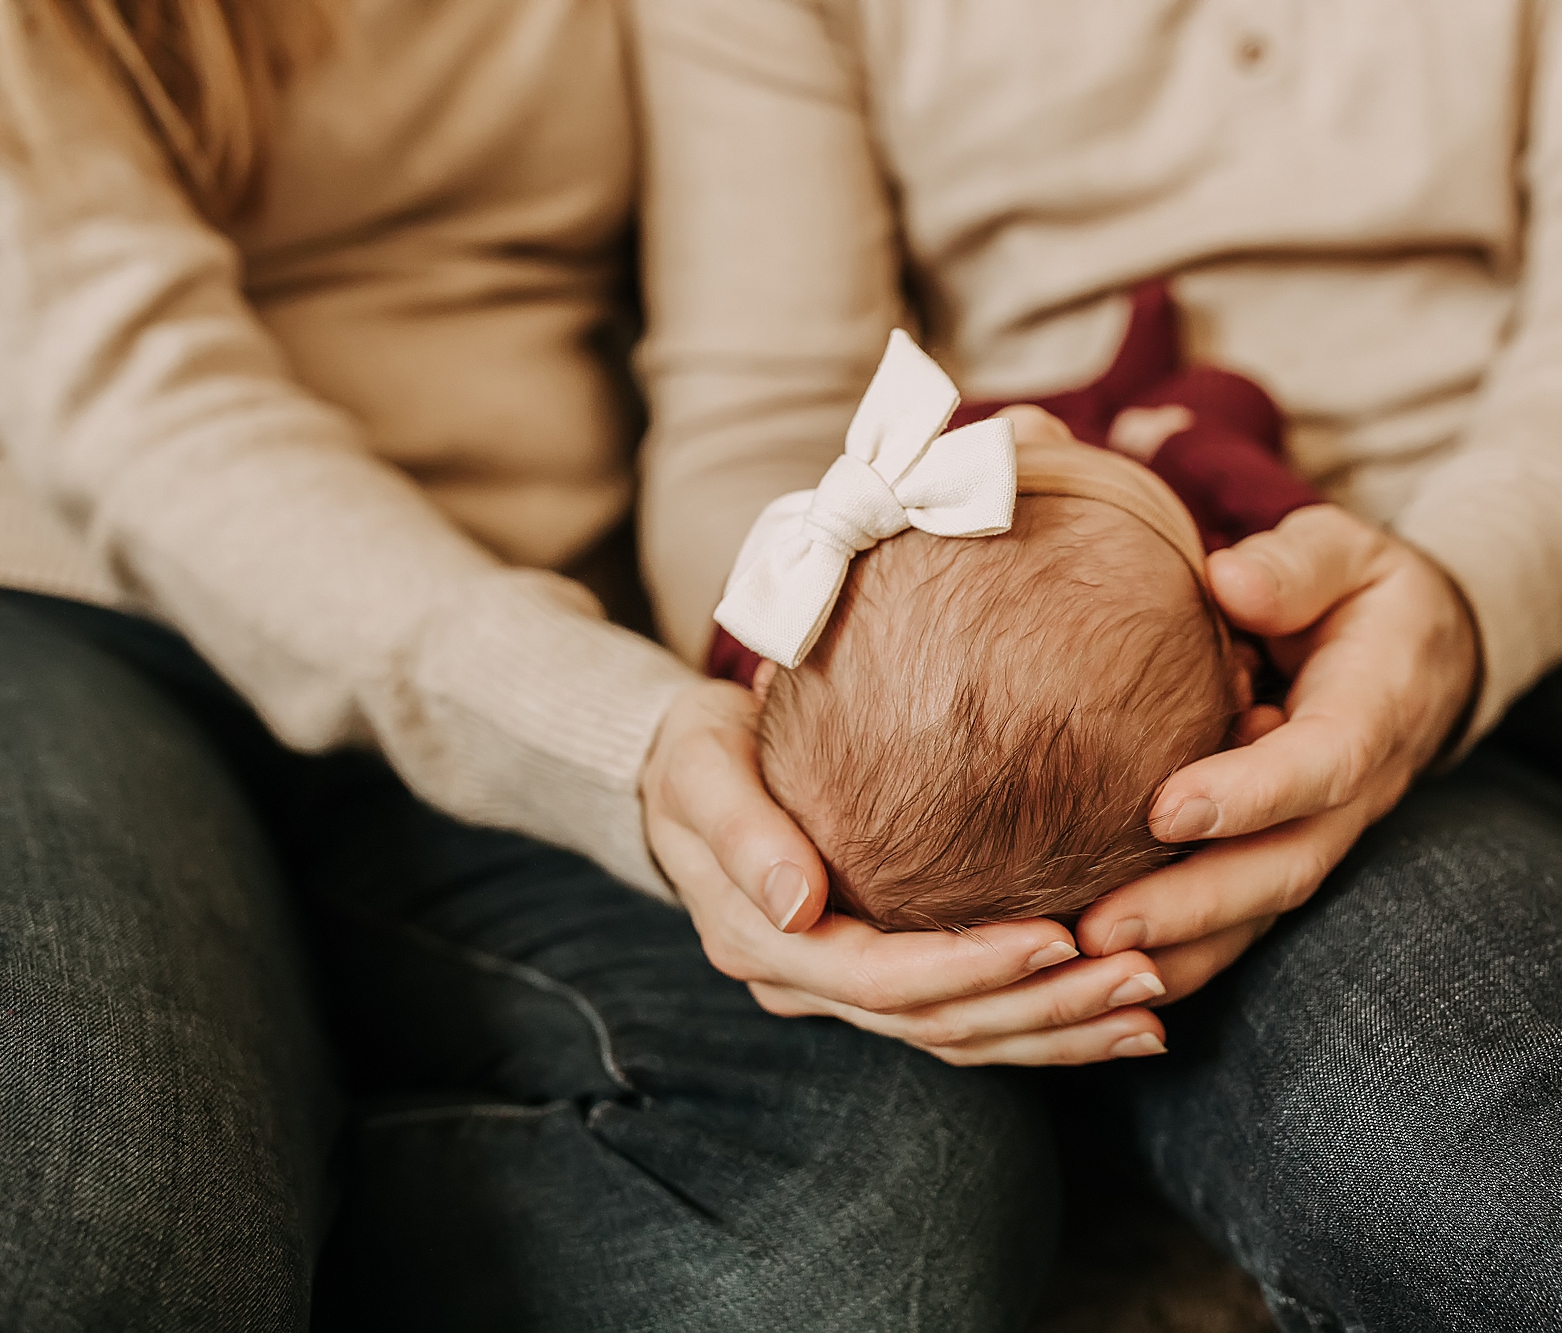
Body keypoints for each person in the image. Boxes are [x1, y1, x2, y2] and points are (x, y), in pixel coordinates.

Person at [640, 1, 1562, 1329]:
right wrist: (821, 701)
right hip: (1141, 713)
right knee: (1489, 1130)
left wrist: (1473, 583)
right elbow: (764, 417)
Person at [0, 3, 1139, 1329]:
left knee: (881, 1221)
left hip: (543, 655)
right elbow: (138, 406)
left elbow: (757, 393)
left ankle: (253, 1110)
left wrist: (797, 712)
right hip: (83, 614)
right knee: (107, 1224)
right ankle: (224, 1126)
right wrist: (614, 733)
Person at [716, 289, 1321, 930]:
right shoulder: (1226, 579)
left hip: (949, 466)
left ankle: (1105, 391)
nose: (1030, 419)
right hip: (1138, 440)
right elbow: (1269, 470)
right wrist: (1179, 446)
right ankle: (1126, 394)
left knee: (998, 418)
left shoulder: (788, 611)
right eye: (1062, 452)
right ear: (1241, 680)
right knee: (1219, 398)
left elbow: (746, 636)